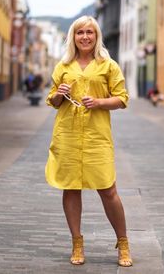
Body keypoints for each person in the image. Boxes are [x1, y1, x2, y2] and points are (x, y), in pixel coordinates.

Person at [45, 15, 132, 267]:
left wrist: (100, 102)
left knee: (108, 189)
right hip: (68, 135)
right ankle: (77, 242)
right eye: (80, 32)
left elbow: (122, 98)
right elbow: (52, 99)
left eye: (89, 32)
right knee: (70, 187)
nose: (85, 37)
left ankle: (123, 243)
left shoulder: (108, 65)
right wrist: (59, 94)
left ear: (96, 37)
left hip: (96, 136)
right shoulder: (63, 66)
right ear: (73, 37)